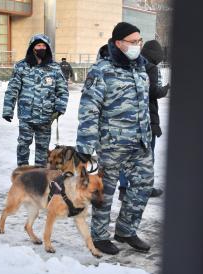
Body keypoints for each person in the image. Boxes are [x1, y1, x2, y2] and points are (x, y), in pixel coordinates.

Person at [75, 22, 154, 255]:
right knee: (105, 192)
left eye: (139, 41)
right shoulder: (102, 70)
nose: (138, 46)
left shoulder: (141, 69)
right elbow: (89, 108)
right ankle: (99, 236)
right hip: (111, 144)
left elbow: (144, 106)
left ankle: (126, 230)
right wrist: (85, 145)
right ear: (118, 43)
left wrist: (149, 133)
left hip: (140, 143)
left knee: (143, 185)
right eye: (133, 41)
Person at [3, 34, 69, 167]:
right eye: (39, 45)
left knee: (43, 150)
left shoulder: (54, 68)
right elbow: (12, 89)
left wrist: (59, 108)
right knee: (23, 145)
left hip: (46, 117)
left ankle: (40, 177)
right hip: (26, 116)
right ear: (32, 48)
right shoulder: (21, 66)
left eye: (44, 46)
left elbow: (63, 90)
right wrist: (7, 110)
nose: (41, 48)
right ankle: (22, 174)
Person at [117, 40, 170, 201]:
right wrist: (165, 89)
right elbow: (152, 91)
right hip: (147, 118)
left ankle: (124, 188)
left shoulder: (133, 64)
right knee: (148, 154)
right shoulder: (151, 67)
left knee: (127, 155)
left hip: (129, 117)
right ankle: (145, 187)